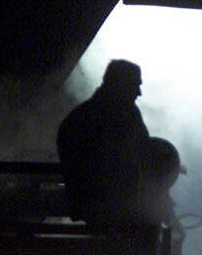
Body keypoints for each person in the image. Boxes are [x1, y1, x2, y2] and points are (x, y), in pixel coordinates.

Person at [56, 59, 182, 228]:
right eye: (135, 85)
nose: (139, 93)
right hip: (105, 206)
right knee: (150, 222)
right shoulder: (110, 118)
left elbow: (140, 154)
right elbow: (132, 160)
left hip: (98, 202)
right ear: (121, 85)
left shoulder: (86, 115)